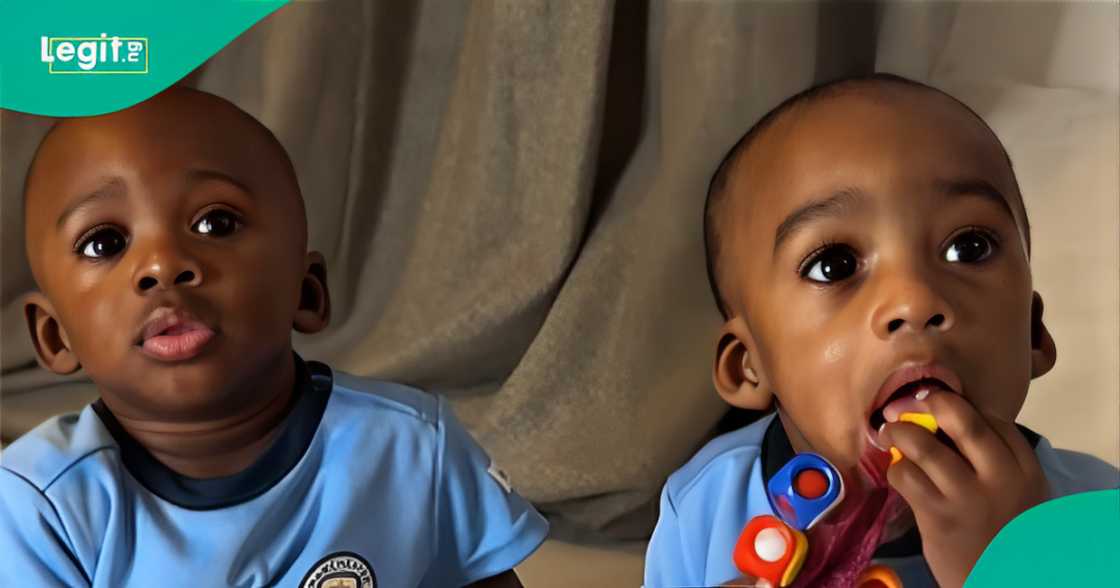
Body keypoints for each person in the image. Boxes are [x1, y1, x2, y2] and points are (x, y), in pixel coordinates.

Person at [0, 87, 548, 587]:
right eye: (105, 243)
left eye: (215, 224)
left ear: (306, 292)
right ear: (54, 336)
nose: (163, 264)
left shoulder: (414, 448)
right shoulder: (39, 509)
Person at [644, 73, 1118, 588]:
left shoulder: (1096, 517)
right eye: (834, 265)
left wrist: (1020, 566)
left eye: (969, 247)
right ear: (749, 365)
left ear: (1032, 334)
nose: (915, 300)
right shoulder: (706, 507)